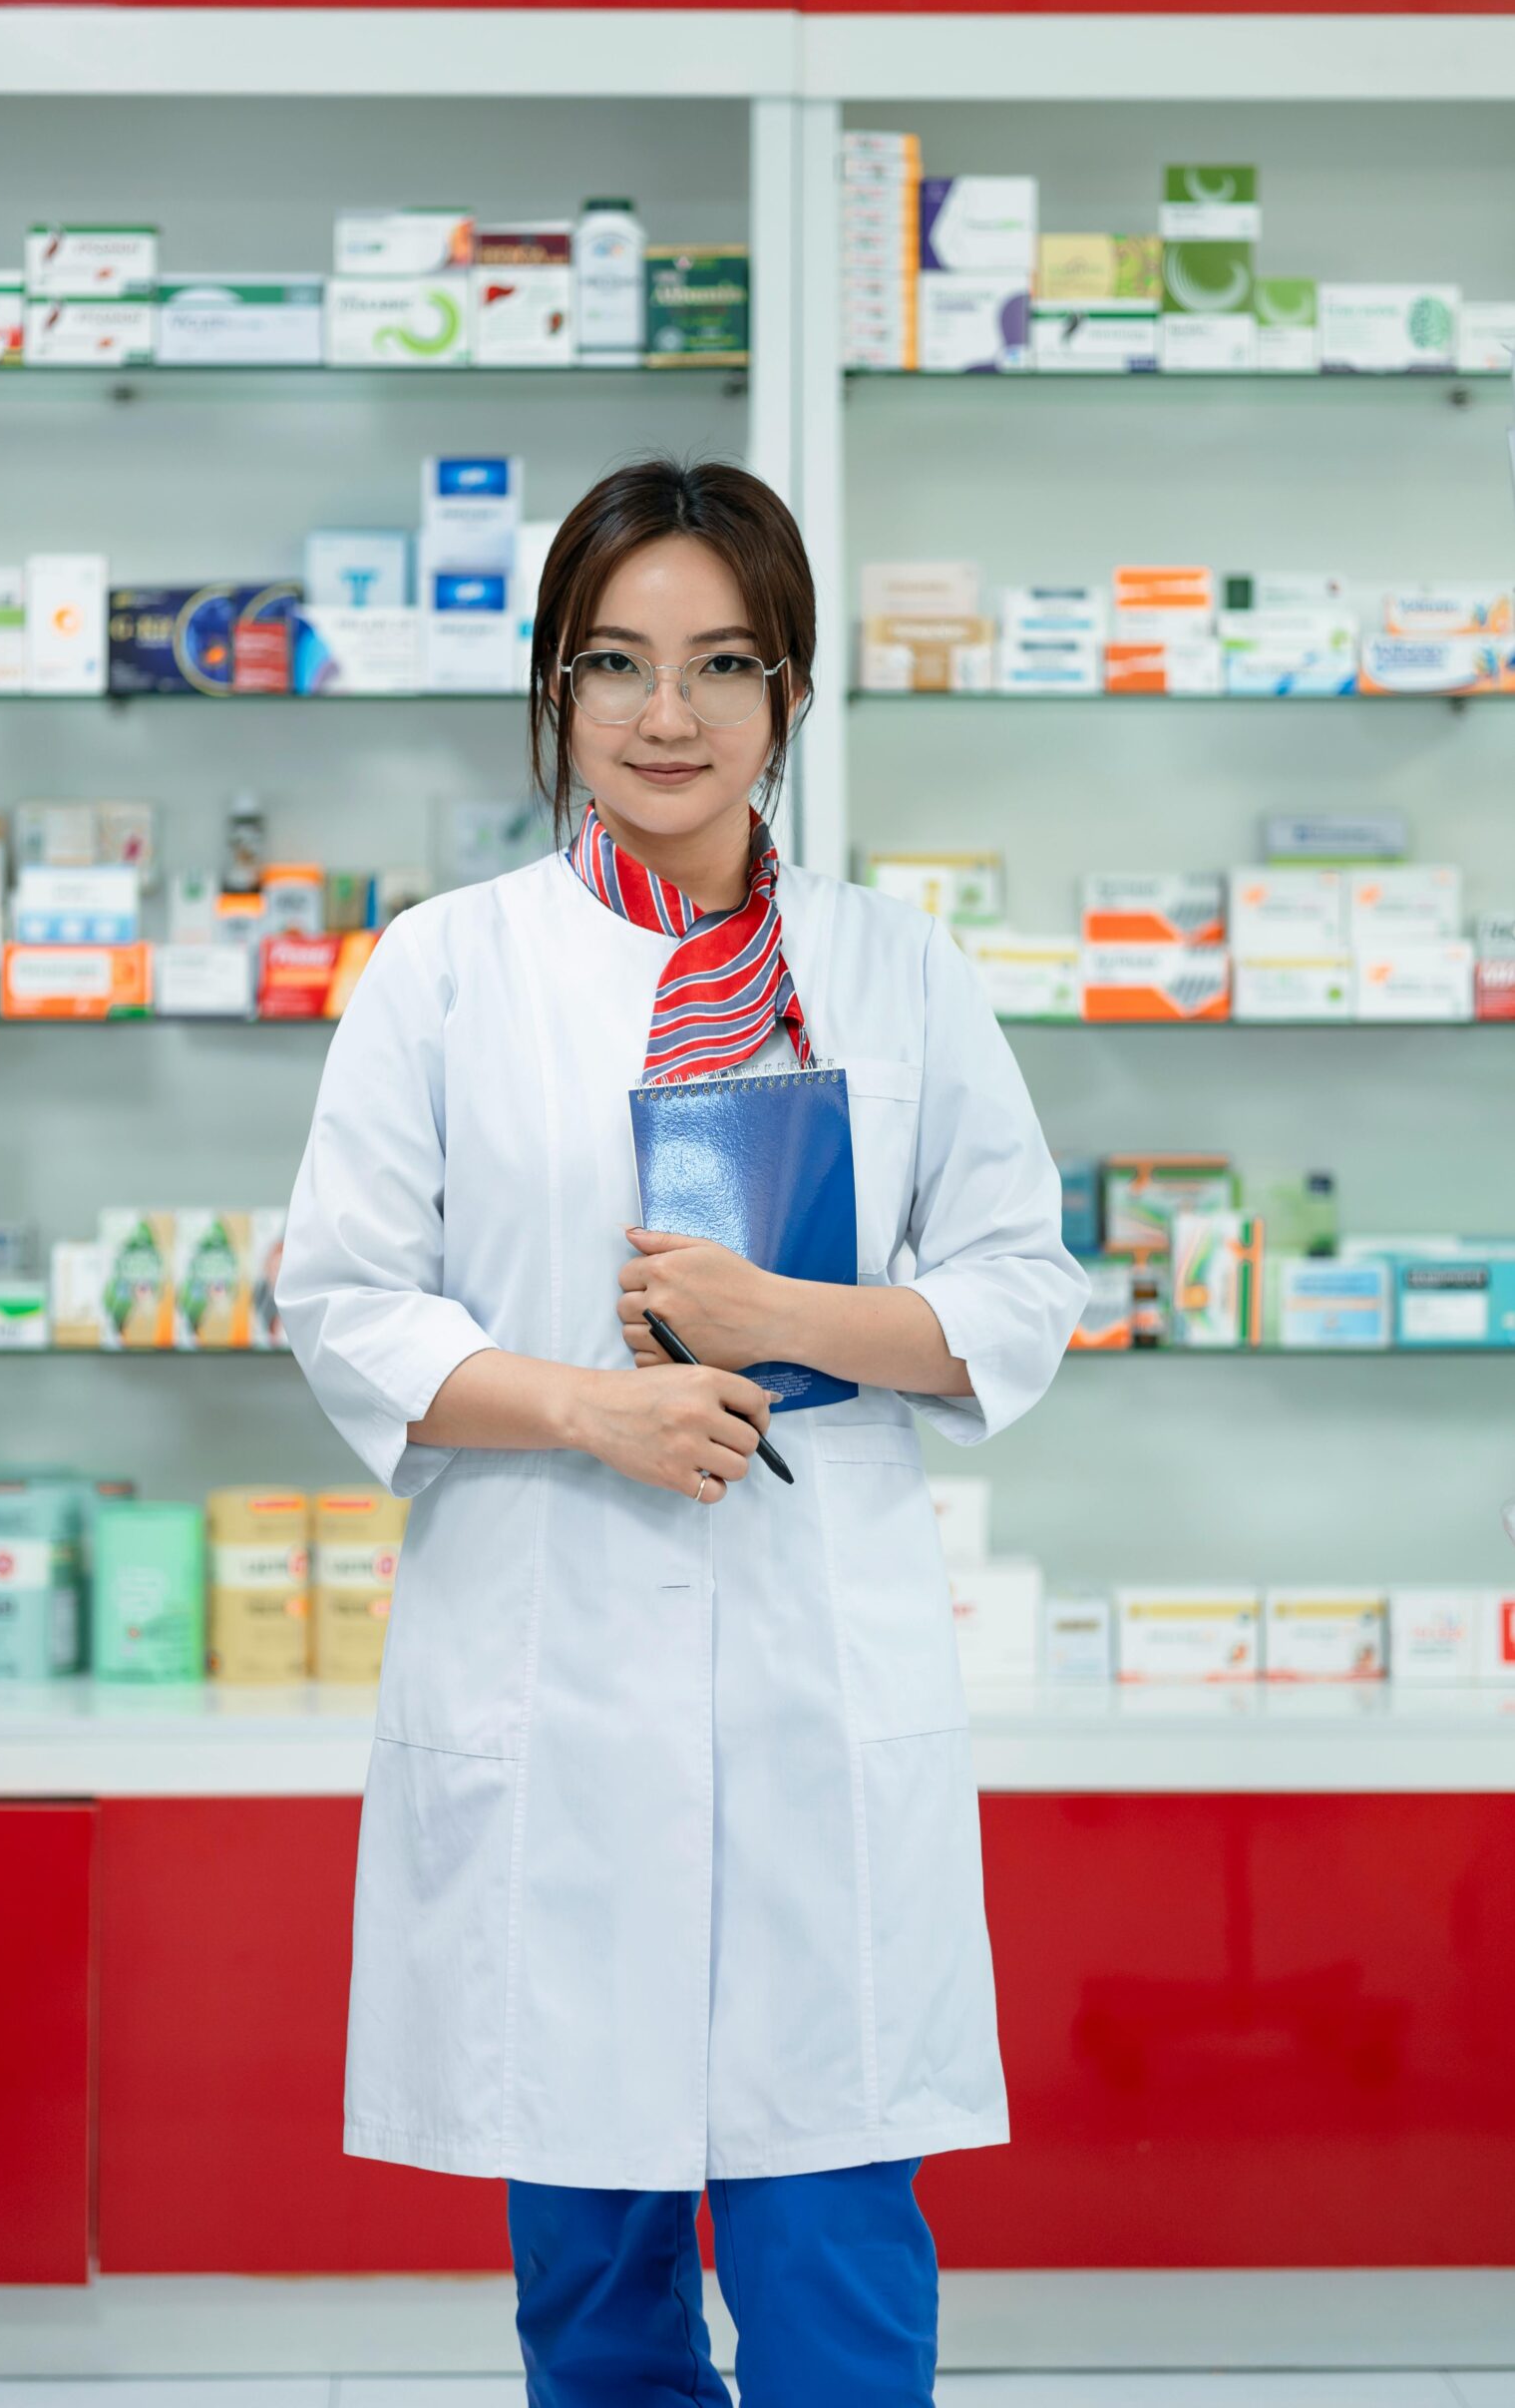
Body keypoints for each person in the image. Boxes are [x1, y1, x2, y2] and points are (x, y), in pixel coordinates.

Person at [277, 456, 1088, 2407]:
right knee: (594, 2276)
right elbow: (344, 1296)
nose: (667, 713)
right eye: (616, 662)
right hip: (557, 1695)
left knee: (835, 2264)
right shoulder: (449, 969)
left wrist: (773, 1319)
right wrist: (593, 1406)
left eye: (721, 661)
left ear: (787, 694)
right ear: (554, 691)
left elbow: (1018, 1285)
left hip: (817, 1686)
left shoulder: (892, 966)